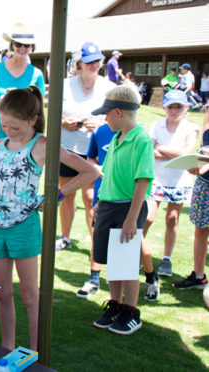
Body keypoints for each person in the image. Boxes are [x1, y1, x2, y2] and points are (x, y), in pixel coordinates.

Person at [0, 88, 98, 350]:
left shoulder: (42, 145)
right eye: (5, 125)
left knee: (30, 296)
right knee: (3, 293)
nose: (9, 131)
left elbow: (90, 171)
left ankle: (35, 352)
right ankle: (7, 348)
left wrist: (58, 194)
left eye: (15, 127)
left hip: (24, 229)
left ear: (33, 120)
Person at [91, 85, 154, 336]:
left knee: (126, 262)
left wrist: (131, 219)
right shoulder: (116, 139)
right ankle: (115, 304)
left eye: (106, 114)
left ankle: (131, 310)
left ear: (118, 112)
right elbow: (109, 175)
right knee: (111, 260)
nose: (104, 119)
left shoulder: (141, 139)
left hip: (128, 208)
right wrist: (99, 202)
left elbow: (143, 180)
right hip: (108, 206)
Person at [57, 42, 115, 257]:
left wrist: (100, 125)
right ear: (79, 63)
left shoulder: (109, 87)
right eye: (89, 61)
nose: (94, 64)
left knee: (91, 198)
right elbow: (52, 112)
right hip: (67, 148)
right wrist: (64, 122)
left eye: (98, 60)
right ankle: (65, 237)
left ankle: (95, 244)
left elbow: (115, 118)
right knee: (66, 194)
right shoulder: (64, 84)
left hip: (94, 149)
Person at [140, 90, 197, 301]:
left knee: (172, 218)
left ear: (186, 108)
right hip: (157, 177)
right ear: (164, 107)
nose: (174, 111)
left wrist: (163, 149)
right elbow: (151, 150)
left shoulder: (191, 127)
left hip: (179, 180)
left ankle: (166, 257)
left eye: (178, 107)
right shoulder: (156, 125)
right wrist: (173, 150)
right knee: (147, 217)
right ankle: (139, 253)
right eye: (170, 106)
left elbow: (188, 152)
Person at [76, 122, 117, 299]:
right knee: (97, 236)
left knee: (123, 244)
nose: (104, 117)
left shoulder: (137, 136)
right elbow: (91, 157)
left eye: (107, 112)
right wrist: (97, 168)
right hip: (102, 195)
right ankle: (94, 279)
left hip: (125, 199)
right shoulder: (100, 131)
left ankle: (149, 278)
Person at [0, 22, 45, 140]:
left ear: (32, 47)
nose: (23, 48)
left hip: (26, 137)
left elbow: (40, 110)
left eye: (27, 45)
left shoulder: (37, 74)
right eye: (19, 44)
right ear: (12, 45)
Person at [173, 107, 209, 291]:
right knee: (201, 229)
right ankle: (199, 275)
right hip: (205, 185)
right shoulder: (208, 130)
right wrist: (197, 168)